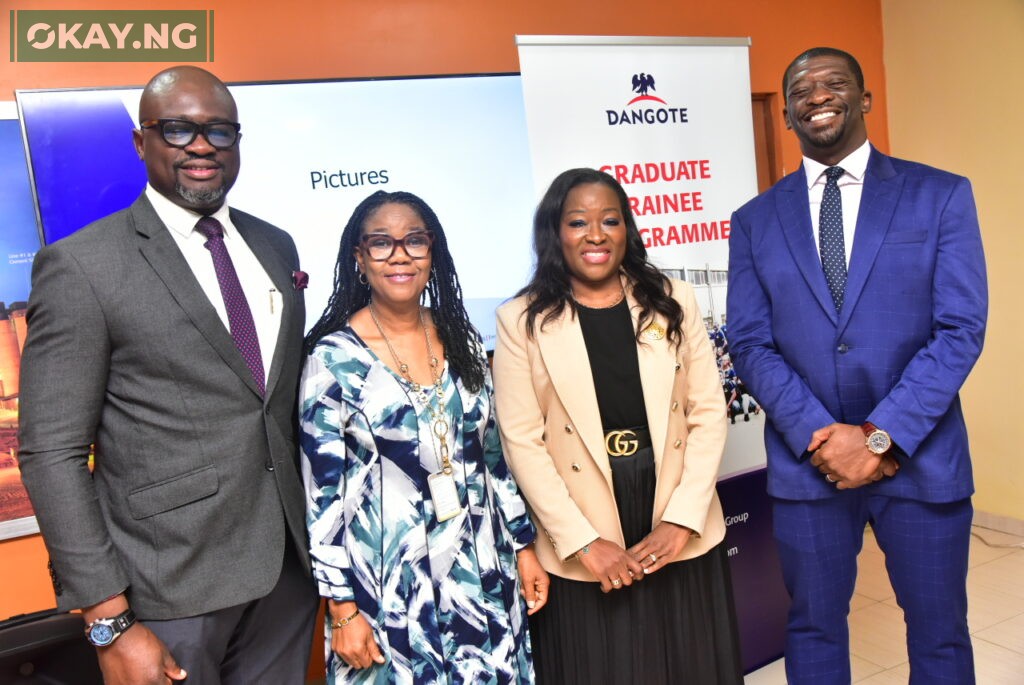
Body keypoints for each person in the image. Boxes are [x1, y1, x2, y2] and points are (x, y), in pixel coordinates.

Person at [18, 66, 318, 684]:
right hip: (169, 587)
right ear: (141, 142)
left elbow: (271, 408)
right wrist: (109, 620)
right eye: (178, 130)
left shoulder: (275, 245)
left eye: (219, 132)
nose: (202, 146)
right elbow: (52, 452)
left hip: (288, 572)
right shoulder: (82, 266)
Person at [727, 47, 986, 684]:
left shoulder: (940, 196)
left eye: (834, 82)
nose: (817, 95)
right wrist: (824, 438)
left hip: (920, 459)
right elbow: (751, 342)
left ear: (864, 99)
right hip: (806, 466)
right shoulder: (755, 222)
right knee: (813, 629)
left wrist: (877, 437)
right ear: (785, 113)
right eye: (801, 89)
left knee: (939, 633)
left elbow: (960, 329)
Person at [492, 168, 743, 684]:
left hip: (672, 504)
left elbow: (708, 412)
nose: (595, 234)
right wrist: (583, 542)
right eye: (578, 222)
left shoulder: (672, 299)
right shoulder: (521, 320)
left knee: (690, 662)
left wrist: (682, 519)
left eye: (610, 220)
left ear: (626, 227)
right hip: (584, 512)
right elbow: (521, 441)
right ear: (554, 233)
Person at [300, 190, 547, 683]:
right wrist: (341, 608)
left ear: (432, 254)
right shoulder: (331, 360)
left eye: (415, 241)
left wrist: (522, 546)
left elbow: (491, 456)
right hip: (390, 584)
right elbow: (322, 498)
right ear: (358, 257)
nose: (399, 255)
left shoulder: (463, 337)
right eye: (380, 244)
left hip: (481, 565)